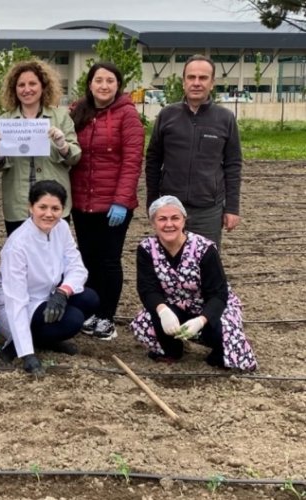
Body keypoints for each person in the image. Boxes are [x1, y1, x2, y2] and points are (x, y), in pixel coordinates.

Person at [130, 196, 257, 371]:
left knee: (222, 335)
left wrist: (201, 320)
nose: (169, 224)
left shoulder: (204, 249)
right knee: (151, 318)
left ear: (184, 220)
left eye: (175, 218)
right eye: (162, 219)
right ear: (153, 223)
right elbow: (147, 288)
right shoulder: (146, 248)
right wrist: (163, 310)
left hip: (210, 305)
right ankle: (172, 350)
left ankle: (217, 352)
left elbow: (219, 294)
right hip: (173, 304)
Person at [69, 62, 145, 341]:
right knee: (87, 259)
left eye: (109, 81)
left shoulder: (127, 116)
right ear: (90, 84)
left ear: (118, 85)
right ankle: (90, 310)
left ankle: (107, 316)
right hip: (82, 201)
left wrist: (122, 201)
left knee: (109, 260)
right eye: (98, 80)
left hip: (113, 203)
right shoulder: (78, 111)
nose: (103, 85)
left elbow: (132, 161)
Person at [0, 180, 98, 375]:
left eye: (55, 208)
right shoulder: (18, 245)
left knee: (90, 298)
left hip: (47, 295)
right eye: (42, 207)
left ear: (63, 210)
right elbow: (16, 300)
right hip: (16, 306)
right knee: (73, 320)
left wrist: (63, 291)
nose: (49, 214)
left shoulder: (62, 229)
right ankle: (18, 345)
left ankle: (45, 338)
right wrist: (27, 354)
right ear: (30, 207)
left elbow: (78, 268)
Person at [145, 54, 242, 248]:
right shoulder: (167, 115)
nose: (196, 83)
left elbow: (233, 165)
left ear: (212, 83)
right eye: (191, 77)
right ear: (184, 81)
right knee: (169, 264)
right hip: (171, 209)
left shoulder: (225, 118)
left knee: (206, 265)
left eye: (203, 78)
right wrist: (152, 203)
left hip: (208, 210)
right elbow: (153, 161)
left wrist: (232, 208)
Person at [0, 59, 81, 235]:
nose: (27, 89)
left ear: (43, 86)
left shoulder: (61, 117)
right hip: (18, 204)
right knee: (21, 258)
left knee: (53, 257)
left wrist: (63, 145)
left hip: (53, 204)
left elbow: (75, 157)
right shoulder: (4, 121)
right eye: (21, 85)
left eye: (32, 83)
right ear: (14, 89)